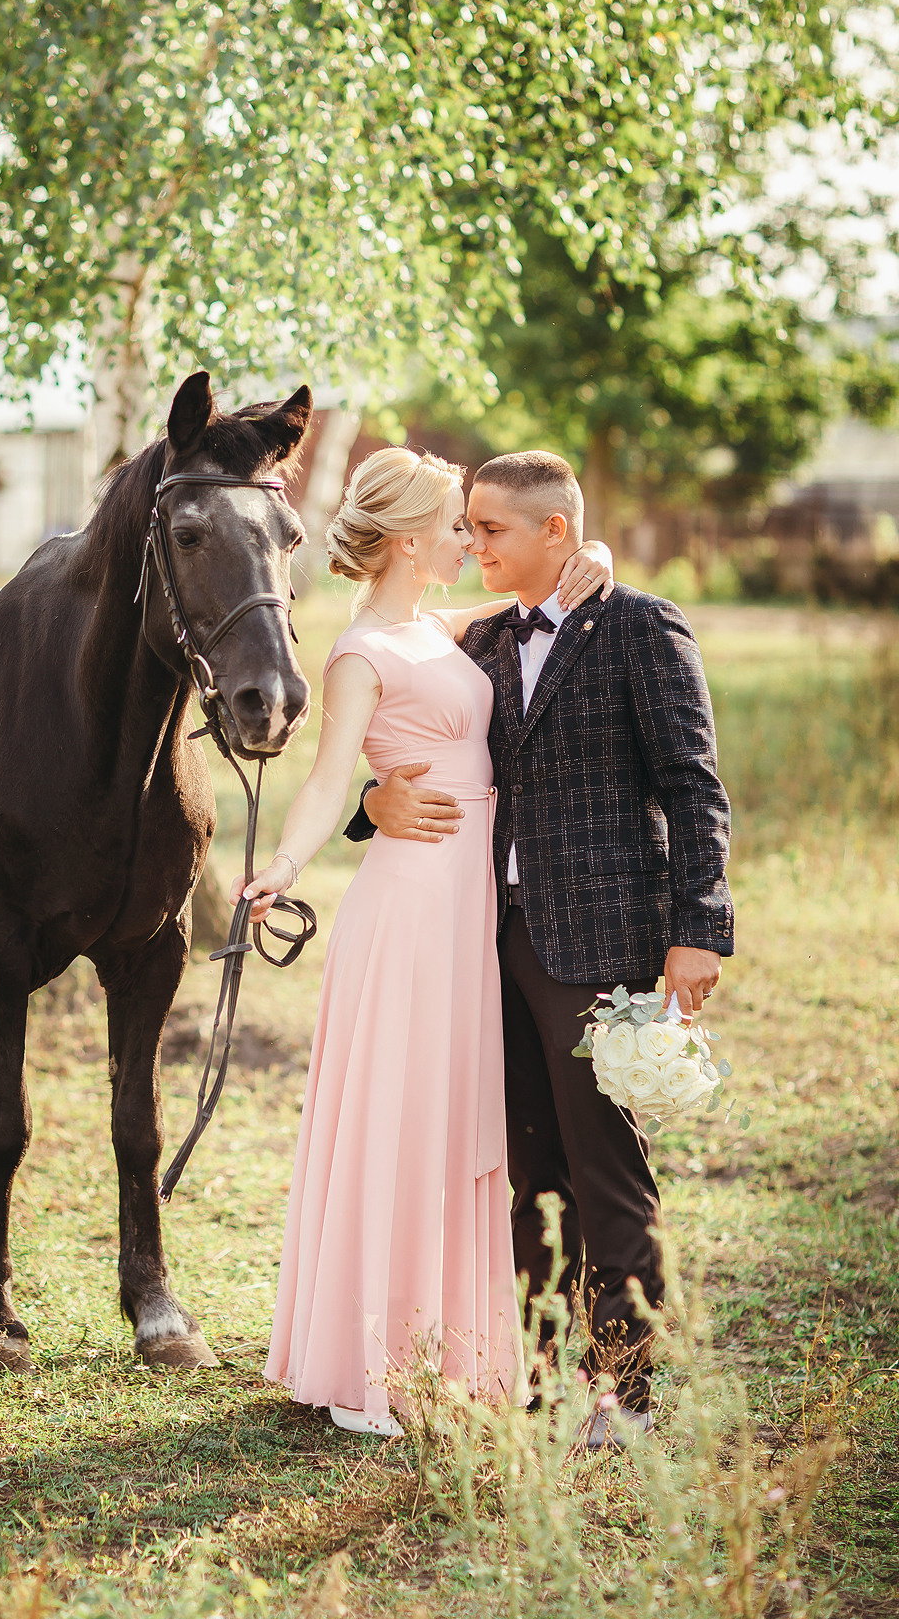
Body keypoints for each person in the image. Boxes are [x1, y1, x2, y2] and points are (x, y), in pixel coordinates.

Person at [349, 451, 734, 1447]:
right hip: (486, 941)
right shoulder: (474, 641)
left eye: (491, 530)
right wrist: (368, 806)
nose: (472, 544)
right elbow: (408, 729)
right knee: (520, 1167)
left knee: (604, 1163)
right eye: (465, 528)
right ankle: (531, 1367)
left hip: (599, 935)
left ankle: (627, 1390)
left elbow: (693, 787)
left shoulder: (641, 627)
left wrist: (699, 929)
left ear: (553, 532)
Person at [235, 447, 615, 1437]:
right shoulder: (361, 651)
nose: (469, 540)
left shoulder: (435, 630)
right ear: (411, 538)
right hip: (407, 911)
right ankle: (368, 1368)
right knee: (399, 1130)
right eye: (457, 526)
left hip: (470, 908)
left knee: (456, 1130)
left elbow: (529, 609)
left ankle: (452, 1349)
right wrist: (284, 865)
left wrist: (597, 555)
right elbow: (325, 781)